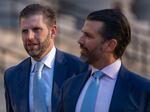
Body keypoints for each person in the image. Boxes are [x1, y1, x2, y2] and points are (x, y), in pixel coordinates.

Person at [57, 9, 150, 112]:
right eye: (83, 34)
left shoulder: (143, 92)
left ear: (110, 45)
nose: (80, 40)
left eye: (88, 36)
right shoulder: (69, 86)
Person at [4, 4, 88, 112]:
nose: (29, 37)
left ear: (53, 31)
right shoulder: (12, 76)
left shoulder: (80, 69)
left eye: (36, 29)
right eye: (25, 31)